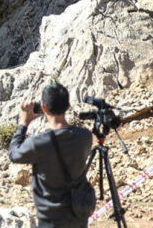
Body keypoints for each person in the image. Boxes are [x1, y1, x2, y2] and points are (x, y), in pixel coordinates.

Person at [9, 83, 93, 228]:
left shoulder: (39, 143)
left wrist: (24, 123)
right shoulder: (85, 136)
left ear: (44, 107)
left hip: (51, 221)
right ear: (68, 106)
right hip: (78, 216)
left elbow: (14, 154)